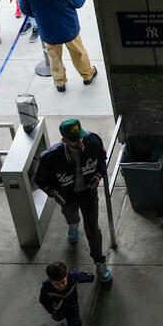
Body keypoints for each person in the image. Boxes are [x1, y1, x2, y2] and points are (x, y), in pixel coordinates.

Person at [34, 119, 112, 282]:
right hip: (67, 197)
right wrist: (54, 193)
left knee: (93, 229)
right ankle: (73, 226)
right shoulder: (51, 157)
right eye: (74, 140)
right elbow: (40, 180)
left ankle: (99, 261)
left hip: (88, 194)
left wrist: (98, 175)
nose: (79, 141)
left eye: (80, 137)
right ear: (64, 140)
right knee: (71, 216)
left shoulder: (93, 142)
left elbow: (102, 160)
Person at [19, 0, 99, 93]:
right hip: (69, 29)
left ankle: (59, 82)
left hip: (47, 31)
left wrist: (39, 16)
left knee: (54, 57)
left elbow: (24, 9)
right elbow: (80, 2)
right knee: (79, 54)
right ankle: (87, 75)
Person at [39, 261, 94, 326]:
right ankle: (58, 317)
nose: (60, 286)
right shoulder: (46, 288)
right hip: (58, 309)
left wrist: (90, 277)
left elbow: (85, 276)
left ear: (67, 275)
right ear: (50, 280)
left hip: (72, 306)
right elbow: (42, 300)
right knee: (58, 318)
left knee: (75, 323)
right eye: (56, 284)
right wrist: (53, 308)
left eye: (62, 282)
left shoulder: (73, 277)